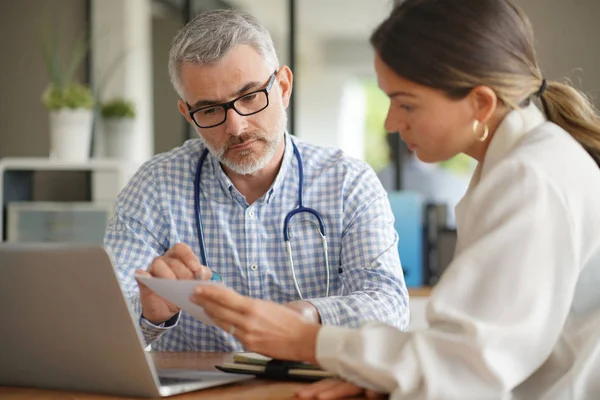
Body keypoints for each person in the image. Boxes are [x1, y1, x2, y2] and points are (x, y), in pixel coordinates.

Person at [191, 0, 600, 398]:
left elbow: (467, 370)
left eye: (405, 103)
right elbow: (468, 347)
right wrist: (386, 373)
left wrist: (307, 340)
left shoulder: (530, 176)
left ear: (480, 103)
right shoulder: (520, 165)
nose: (390, 122)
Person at [104, 9, 409, 352]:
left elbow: (389, 307)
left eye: (249, 97)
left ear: (283, 87)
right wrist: (150, 314)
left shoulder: (348, 183)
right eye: (209, 110)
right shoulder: (153, 187)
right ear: (188, 114)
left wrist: (307, 316)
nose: (235, 127)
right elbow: (102, 322)